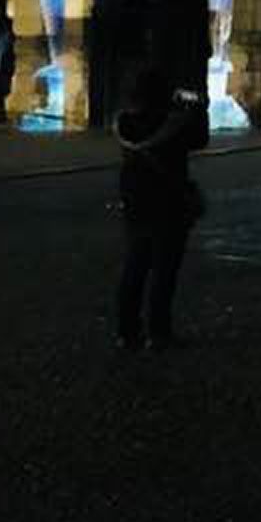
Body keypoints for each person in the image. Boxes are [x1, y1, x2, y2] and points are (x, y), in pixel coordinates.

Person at [113, 67, 210, 350]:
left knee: (135, 264)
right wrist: (199, 108)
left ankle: (127, 331)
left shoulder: (124, 122)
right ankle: (159, 332)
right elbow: (201, 140)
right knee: (164, 269)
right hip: (169, 200)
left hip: (135, 199)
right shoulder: (173, 123)